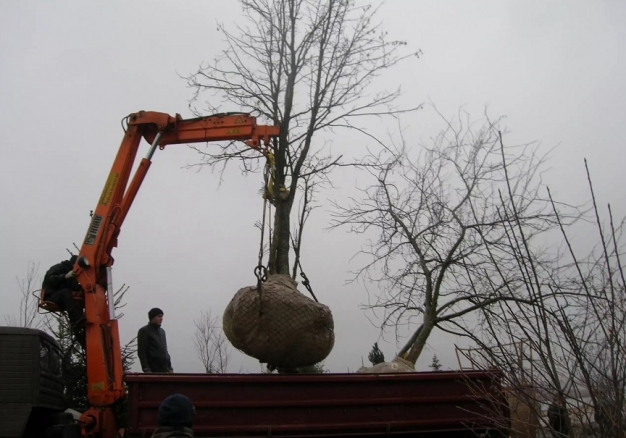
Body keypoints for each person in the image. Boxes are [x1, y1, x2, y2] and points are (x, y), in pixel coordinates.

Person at [42, 255, 86, 328]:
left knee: (78, 299)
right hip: (51, 296)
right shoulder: (59, 267)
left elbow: (73, 287)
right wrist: (65, 276)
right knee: (65, 293)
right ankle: (76, 319)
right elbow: (50, 279)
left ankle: (77, 323)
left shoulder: (73, 275)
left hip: (63, 297)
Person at [138, 308, 173, 373]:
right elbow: (142, 352)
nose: (161, 318)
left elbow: (165, 351)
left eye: (162, 316)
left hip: (165, 370)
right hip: (153, 370)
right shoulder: (144, 331)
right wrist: (146, 369)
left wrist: (170, 367)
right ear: (152, 317)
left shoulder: (162, 332)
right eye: (159, 316)